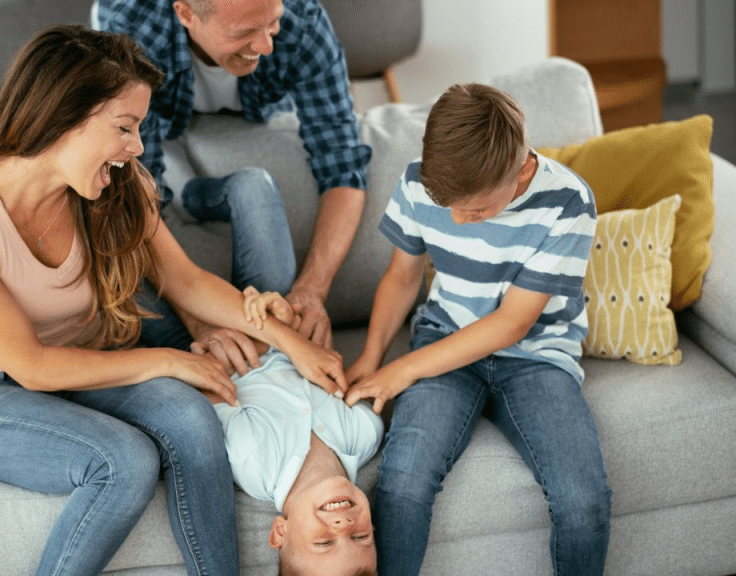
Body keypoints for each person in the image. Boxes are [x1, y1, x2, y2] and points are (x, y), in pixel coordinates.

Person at [0, 25, 346, 576]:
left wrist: (288, 342)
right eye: (124, 127)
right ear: (65, 115)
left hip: (83, 368)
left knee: (193, 415)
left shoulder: (117, 186)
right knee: (123, 461)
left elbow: (185, 281)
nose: (137, 147)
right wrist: (169, 360)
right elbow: (31, 365)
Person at [343, 83, 613, 576]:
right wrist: (370, 357)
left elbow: (511, 324)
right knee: (402, 483)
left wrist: (401, 371)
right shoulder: (417, 183)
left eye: (478, 211)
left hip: (535, 357)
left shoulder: (567, 201)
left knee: (583, 501)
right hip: (444, 339)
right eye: (447, 205)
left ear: (521, 171)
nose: (457, 222)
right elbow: (403, 276)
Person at [96, 0, 373, 372]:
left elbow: (343, 164)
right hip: (149, 63)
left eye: (272, 25)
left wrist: (311, 290)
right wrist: (199, 319)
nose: (266, 46)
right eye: (244, 32)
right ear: (185, 14)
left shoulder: (301, 21)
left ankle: (197, 195)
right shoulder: (136, 31)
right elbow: (132, 190)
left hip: (247, 102)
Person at [206, 287, 382, 576]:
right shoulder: (364, 433)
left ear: (280, 532)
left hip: (227, 320)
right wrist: (290, 322)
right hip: (280, 308)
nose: (343, 525)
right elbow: (327, 364)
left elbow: (210, 371)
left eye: (324, 542)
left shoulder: (255, 461)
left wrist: (270, 331)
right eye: (360, 537)